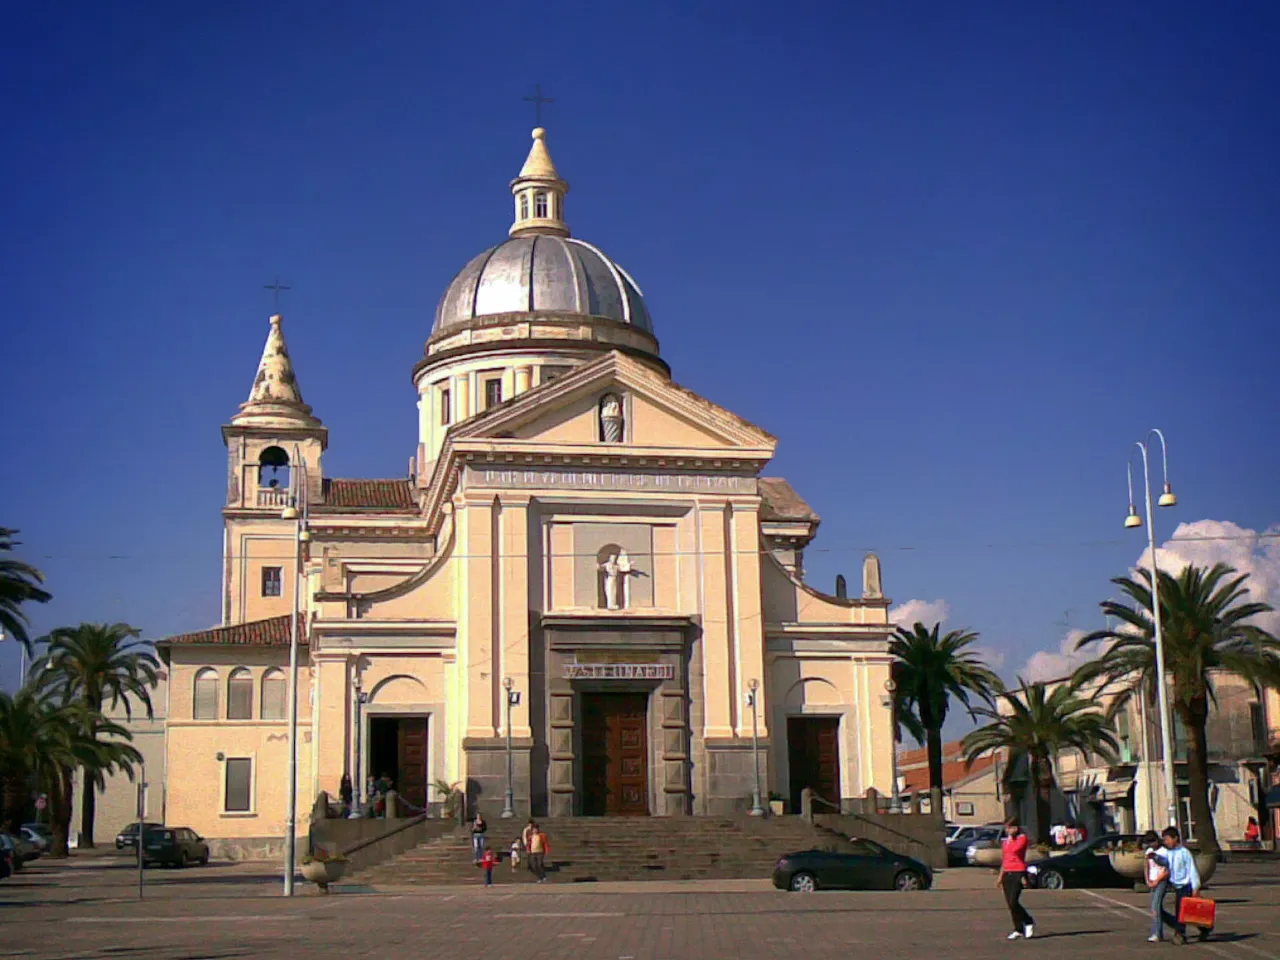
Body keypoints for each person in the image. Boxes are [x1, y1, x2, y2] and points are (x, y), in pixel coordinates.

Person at [1155, 826, 1201, 945]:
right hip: (1176, 886)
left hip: (1186, 886)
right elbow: (1158, 856)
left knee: (1182, 911)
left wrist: (1196, 887)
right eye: (1164, 839)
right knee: (1186, 913)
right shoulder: (1167, 852)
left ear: (1175, 838)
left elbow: (1192, 870)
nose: (1166, 842)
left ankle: (1180, 934)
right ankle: (1203, 928)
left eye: (1168, 839)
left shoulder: (1185, 853)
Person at [996, 819, 1034, 940]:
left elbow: (1015, 850)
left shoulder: (1022, 838)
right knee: (1010, 904)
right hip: (1007, 872)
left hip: (1018, 872)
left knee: (1014, 901)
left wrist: (1011, 838)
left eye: (1010, 828)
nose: (1007, 830)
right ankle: (1018, 929)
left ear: (1016, 828)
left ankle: (1028, 921)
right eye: (1006, 828)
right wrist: (1000, 876)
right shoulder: (1006, 842)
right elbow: (1005, 859)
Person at [1143, 832, 1169, 943]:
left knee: (1155, 906)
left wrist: (1157, 881)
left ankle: (1157, 934)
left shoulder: (1164, 852)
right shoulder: (1149, 851)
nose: (1152, 844)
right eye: (1149, 842)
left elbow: (1167, 870)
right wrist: (1148, 880)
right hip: (1152, 880)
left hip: (1161, 881)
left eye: (1153, 841)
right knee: (1158, 909)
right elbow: (1146, 866)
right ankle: (1175, 923)